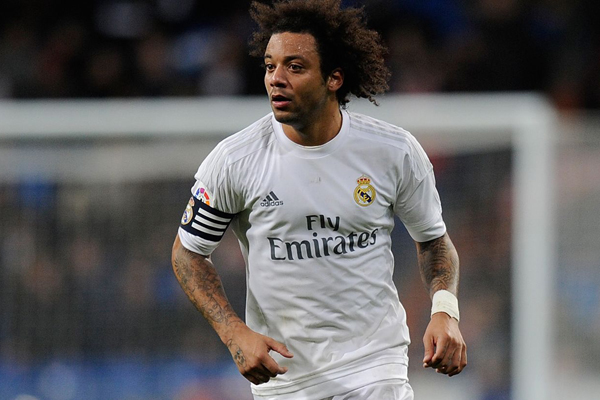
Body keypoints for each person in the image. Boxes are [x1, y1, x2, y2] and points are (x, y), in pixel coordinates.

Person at [171, 0, 467, 399]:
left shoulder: (392, 152)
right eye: (270, 66)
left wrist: (445, 310)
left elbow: (433, 240)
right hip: (284, 377)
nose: (276, 79)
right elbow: (188, 253)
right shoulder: (235, 161)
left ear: (334, 78)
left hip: (374, 367)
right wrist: (233, 332)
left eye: (295, 67)